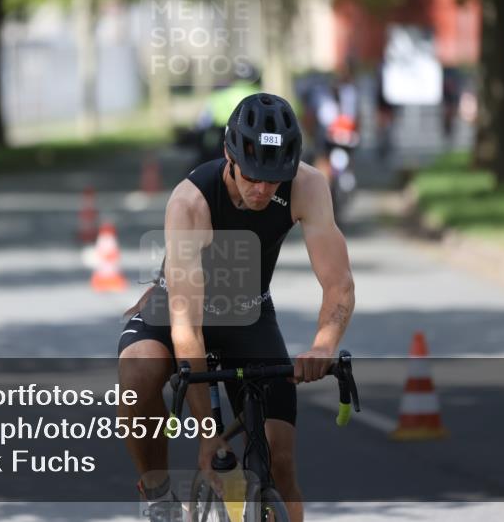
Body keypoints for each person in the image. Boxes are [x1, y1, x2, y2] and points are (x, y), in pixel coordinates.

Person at [118, 93, 356, 522]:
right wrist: (207, 433)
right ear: (229, 156)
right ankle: (156, 495)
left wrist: (323, 345)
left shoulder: (307, 185)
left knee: (281, 463)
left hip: (247, 308)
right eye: (253, 176)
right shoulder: (190, 201)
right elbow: (187, 327)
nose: (263, 188)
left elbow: (338, 284)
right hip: (178, 305)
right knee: (138, 370)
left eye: (274, 178)